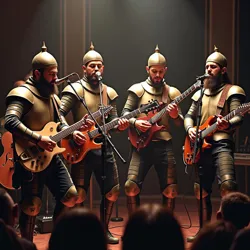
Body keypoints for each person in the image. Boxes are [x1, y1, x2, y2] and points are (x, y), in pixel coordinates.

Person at [4, 42, 87, 242]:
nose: (56, 78)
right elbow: (10, 121)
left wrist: (71, 133)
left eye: (56, 73)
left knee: (71, 196)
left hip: (52, 158)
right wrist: (38, 138)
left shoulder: (53, 97)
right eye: (52, 74)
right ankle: (27, 244)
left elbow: (60, 122)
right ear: (38, 73)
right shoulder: (23, 93)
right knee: (31, 206)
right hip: (29, 158)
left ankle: (56, 241)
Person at [59, 42, 129, 244]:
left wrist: (121, 125)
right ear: (84, 68)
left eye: (99, 66)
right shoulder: (74, 89)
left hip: (103, 147)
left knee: (113, 191)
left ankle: (104, 230)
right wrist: (71, 133)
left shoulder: (109, 92)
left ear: (103, 68)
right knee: (78, 195)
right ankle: (77, 233)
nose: (96, 69)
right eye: (92, 66)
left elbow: (113, 122)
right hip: (79, 148)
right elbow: (59, 114)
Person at [184, 46, 246, 241]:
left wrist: (227, 122)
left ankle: (231, 231)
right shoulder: (199, 93)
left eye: (213, 67)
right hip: (200, 145)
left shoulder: (232, 90)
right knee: (200, 190)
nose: (209, 70)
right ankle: (204, 232)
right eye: (207, 66)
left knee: (228, 186)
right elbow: (188, 116)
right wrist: (190, 129)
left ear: (223, 70)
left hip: (222, 143)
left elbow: (238, 117)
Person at [121, 45, 183, 215]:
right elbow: (124, 114)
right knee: (131, 187)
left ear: (165, 70)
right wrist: (135, 122)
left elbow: (180, 124)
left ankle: (166, 228)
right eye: (154, 71)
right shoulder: (137, 89)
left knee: (171, 190)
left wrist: (176, 115)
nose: (157, 75)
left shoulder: (172, 92)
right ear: (147, 69)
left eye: (161, 72)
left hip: (164, 144)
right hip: (140, 145)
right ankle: (135, 228)